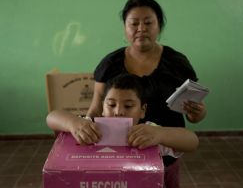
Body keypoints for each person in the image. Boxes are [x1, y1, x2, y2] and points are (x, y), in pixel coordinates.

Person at [47, 0, 207, 187]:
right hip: (112, 171)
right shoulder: (109, 65)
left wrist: (191, 116)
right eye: (134, 23)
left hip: (164, 157)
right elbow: (86, 111)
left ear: (159, 26)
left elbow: (192, 136)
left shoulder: (177, 63)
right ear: (125, 27)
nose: (141, 28)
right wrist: (78, 124)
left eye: (148, 22)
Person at [47, 74, 199, 187]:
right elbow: (52, 117)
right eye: (111, 105)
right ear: (102, 107)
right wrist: (73, 123)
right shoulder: (90, 127)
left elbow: (192, 141)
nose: (118, 112)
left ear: (142, 110)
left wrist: (161, 134)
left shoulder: (148, 134)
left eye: (128, 106)